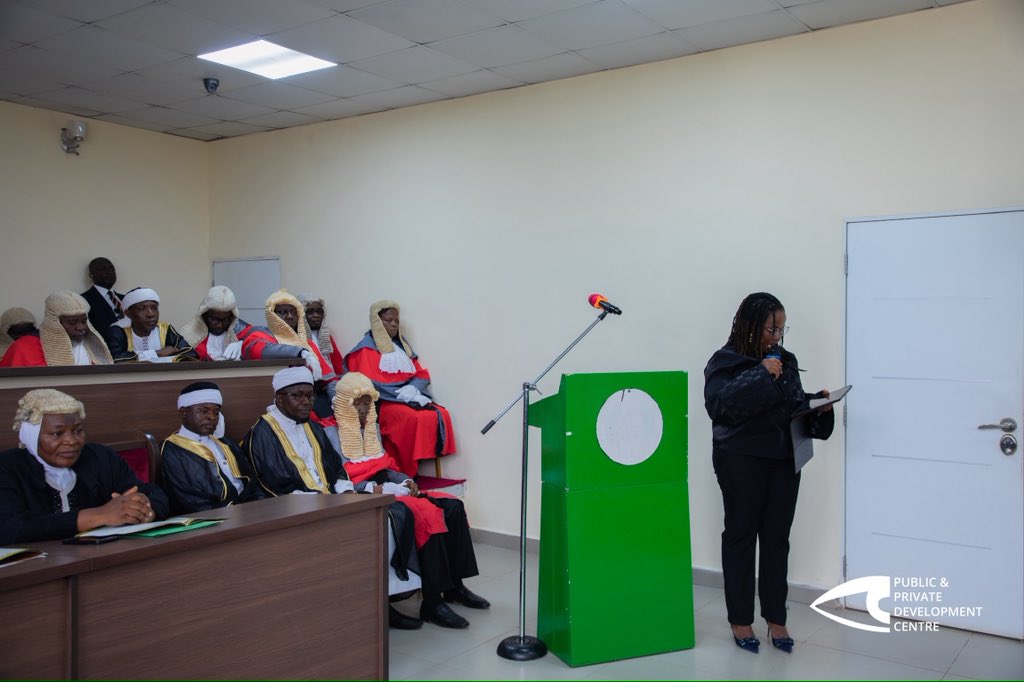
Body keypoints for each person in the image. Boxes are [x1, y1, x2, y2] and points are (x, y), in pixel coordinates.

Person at [704, 292, 835, 654]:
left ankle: (776, 618)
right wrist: (761, 373)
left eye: (781, 328)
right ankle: (740, 620)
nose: (777, 335)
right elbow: (720, 408)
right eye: (770, 328)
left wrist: (816, 403)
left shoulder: (785, 360)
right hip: (740, 461)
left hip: (782, 461)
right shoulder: (724, 362)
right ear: (750, 325)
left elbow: (788, 405)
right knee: (741, 536)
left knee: (777, 539)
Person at [333, 371, 489, 627]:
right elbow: (335, 480)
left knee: (452, 506)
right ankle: (432, 601)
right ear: (344, 402)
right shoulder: (330, 434)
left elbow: (386, 465)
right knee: (428, 515)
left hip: (391, 486)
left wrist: (405, 480)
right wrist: (377, 488)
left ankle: (455, 586)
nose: (363, 408)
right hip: (366, 494)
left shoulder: (371, 428)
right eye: (357, 402)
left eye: (367, 402)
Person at [0, 388, 169, 544]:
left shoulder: (101, 457)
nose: (72, 441)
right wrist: (100, 515)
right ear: (32, 436)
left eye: (78, 431)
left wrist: (144, 510)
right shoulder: (7, 467)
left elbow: (152, 493)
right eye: (57, 434)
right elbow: (9, 527)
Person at [344, 300, 456, 477]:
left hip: (406, 398)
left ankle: (422, 469)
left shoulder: (401, 347)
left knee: (440, 413)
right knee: (411, 418)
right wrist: (400, 396)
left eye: (396, 320)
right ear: (377, 322)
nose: (394, 324)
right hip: (383, 403)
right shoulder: (365, 349)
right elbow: (368, 384)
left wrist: (412, 389)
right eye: (388, 320)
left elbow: (421, 374)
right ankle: (406, 473)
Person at [160, 381, 264, 514]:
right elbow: (187, 500)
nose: (211, 417)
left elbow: (251, 480)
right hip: (211, 518)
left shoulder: (225, 443)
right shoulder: (172, 449)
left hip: (248, 511)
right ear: (184, 412)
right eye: (204, 411)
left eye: (216, 412)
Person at [178, 285, 305, 363]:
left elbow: (262, 336)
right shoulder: (187, 335)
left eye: (226, 320)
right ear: (204, 316)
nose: (220, 325)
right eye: (214, 320)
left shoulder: (240, 328)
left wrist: (242, 344)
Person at [262, 290, 336, 415]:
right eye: (283, 312)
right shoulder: (262, 334)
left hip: (311, 399)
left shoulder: (307, 343)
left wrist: (335, 397)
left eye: (293, 312)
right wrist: (301, 352)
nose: (290, 316)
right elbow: (261, 348)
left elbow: (329, 379)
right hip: (280, 400)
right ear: (272, 315)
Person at [1, 292, 113, 367]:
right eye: (72, 322)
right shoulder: (23, 348)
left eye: (84, 321)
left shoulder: (92, 346)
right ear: (54, 322)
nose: (81, 327)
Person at [105, 287, 196, 362]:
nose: (151, 314)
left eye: (154, 308)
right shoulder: (118, 331)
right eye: (142, 309)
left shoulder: (165, 329)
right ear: (129, 314)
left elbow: (190, 353)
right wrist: (157, 354)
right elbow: (114, 359)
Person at [297, 293, 345, 374]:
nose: (316, 315)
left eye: (319, 312)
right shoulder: (296, 338)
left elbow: (337, 364)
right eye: (310, 312)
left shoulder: (326, 336)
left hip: (330, 380)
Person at [80, 257, 125, 332]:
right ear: (91, 274)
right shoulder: (83, 300)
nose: (109, 272)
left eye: (112, 269)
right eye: (102, 269)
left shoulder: (126, 298)